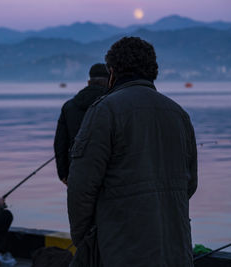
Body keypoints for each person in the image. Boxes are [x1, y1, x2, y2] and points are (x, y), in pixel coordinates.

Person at [67, 37, 198, 267]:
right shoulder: (179, 115)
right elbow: (190, 184)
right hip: (175, 249)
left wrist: (84, 240)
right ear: (152, 71)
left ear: (112, 72)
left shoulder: (104, 110)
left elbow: (81, 188)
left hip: (122, 249)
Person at [54, 63, 109, 185]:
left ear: (89, 82)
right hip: (109, 173)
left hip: (77, 171)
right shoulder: (114, 105)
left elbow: (60, 144)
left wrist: (63, 174)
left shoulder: (69, 107)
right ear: (110, 81)